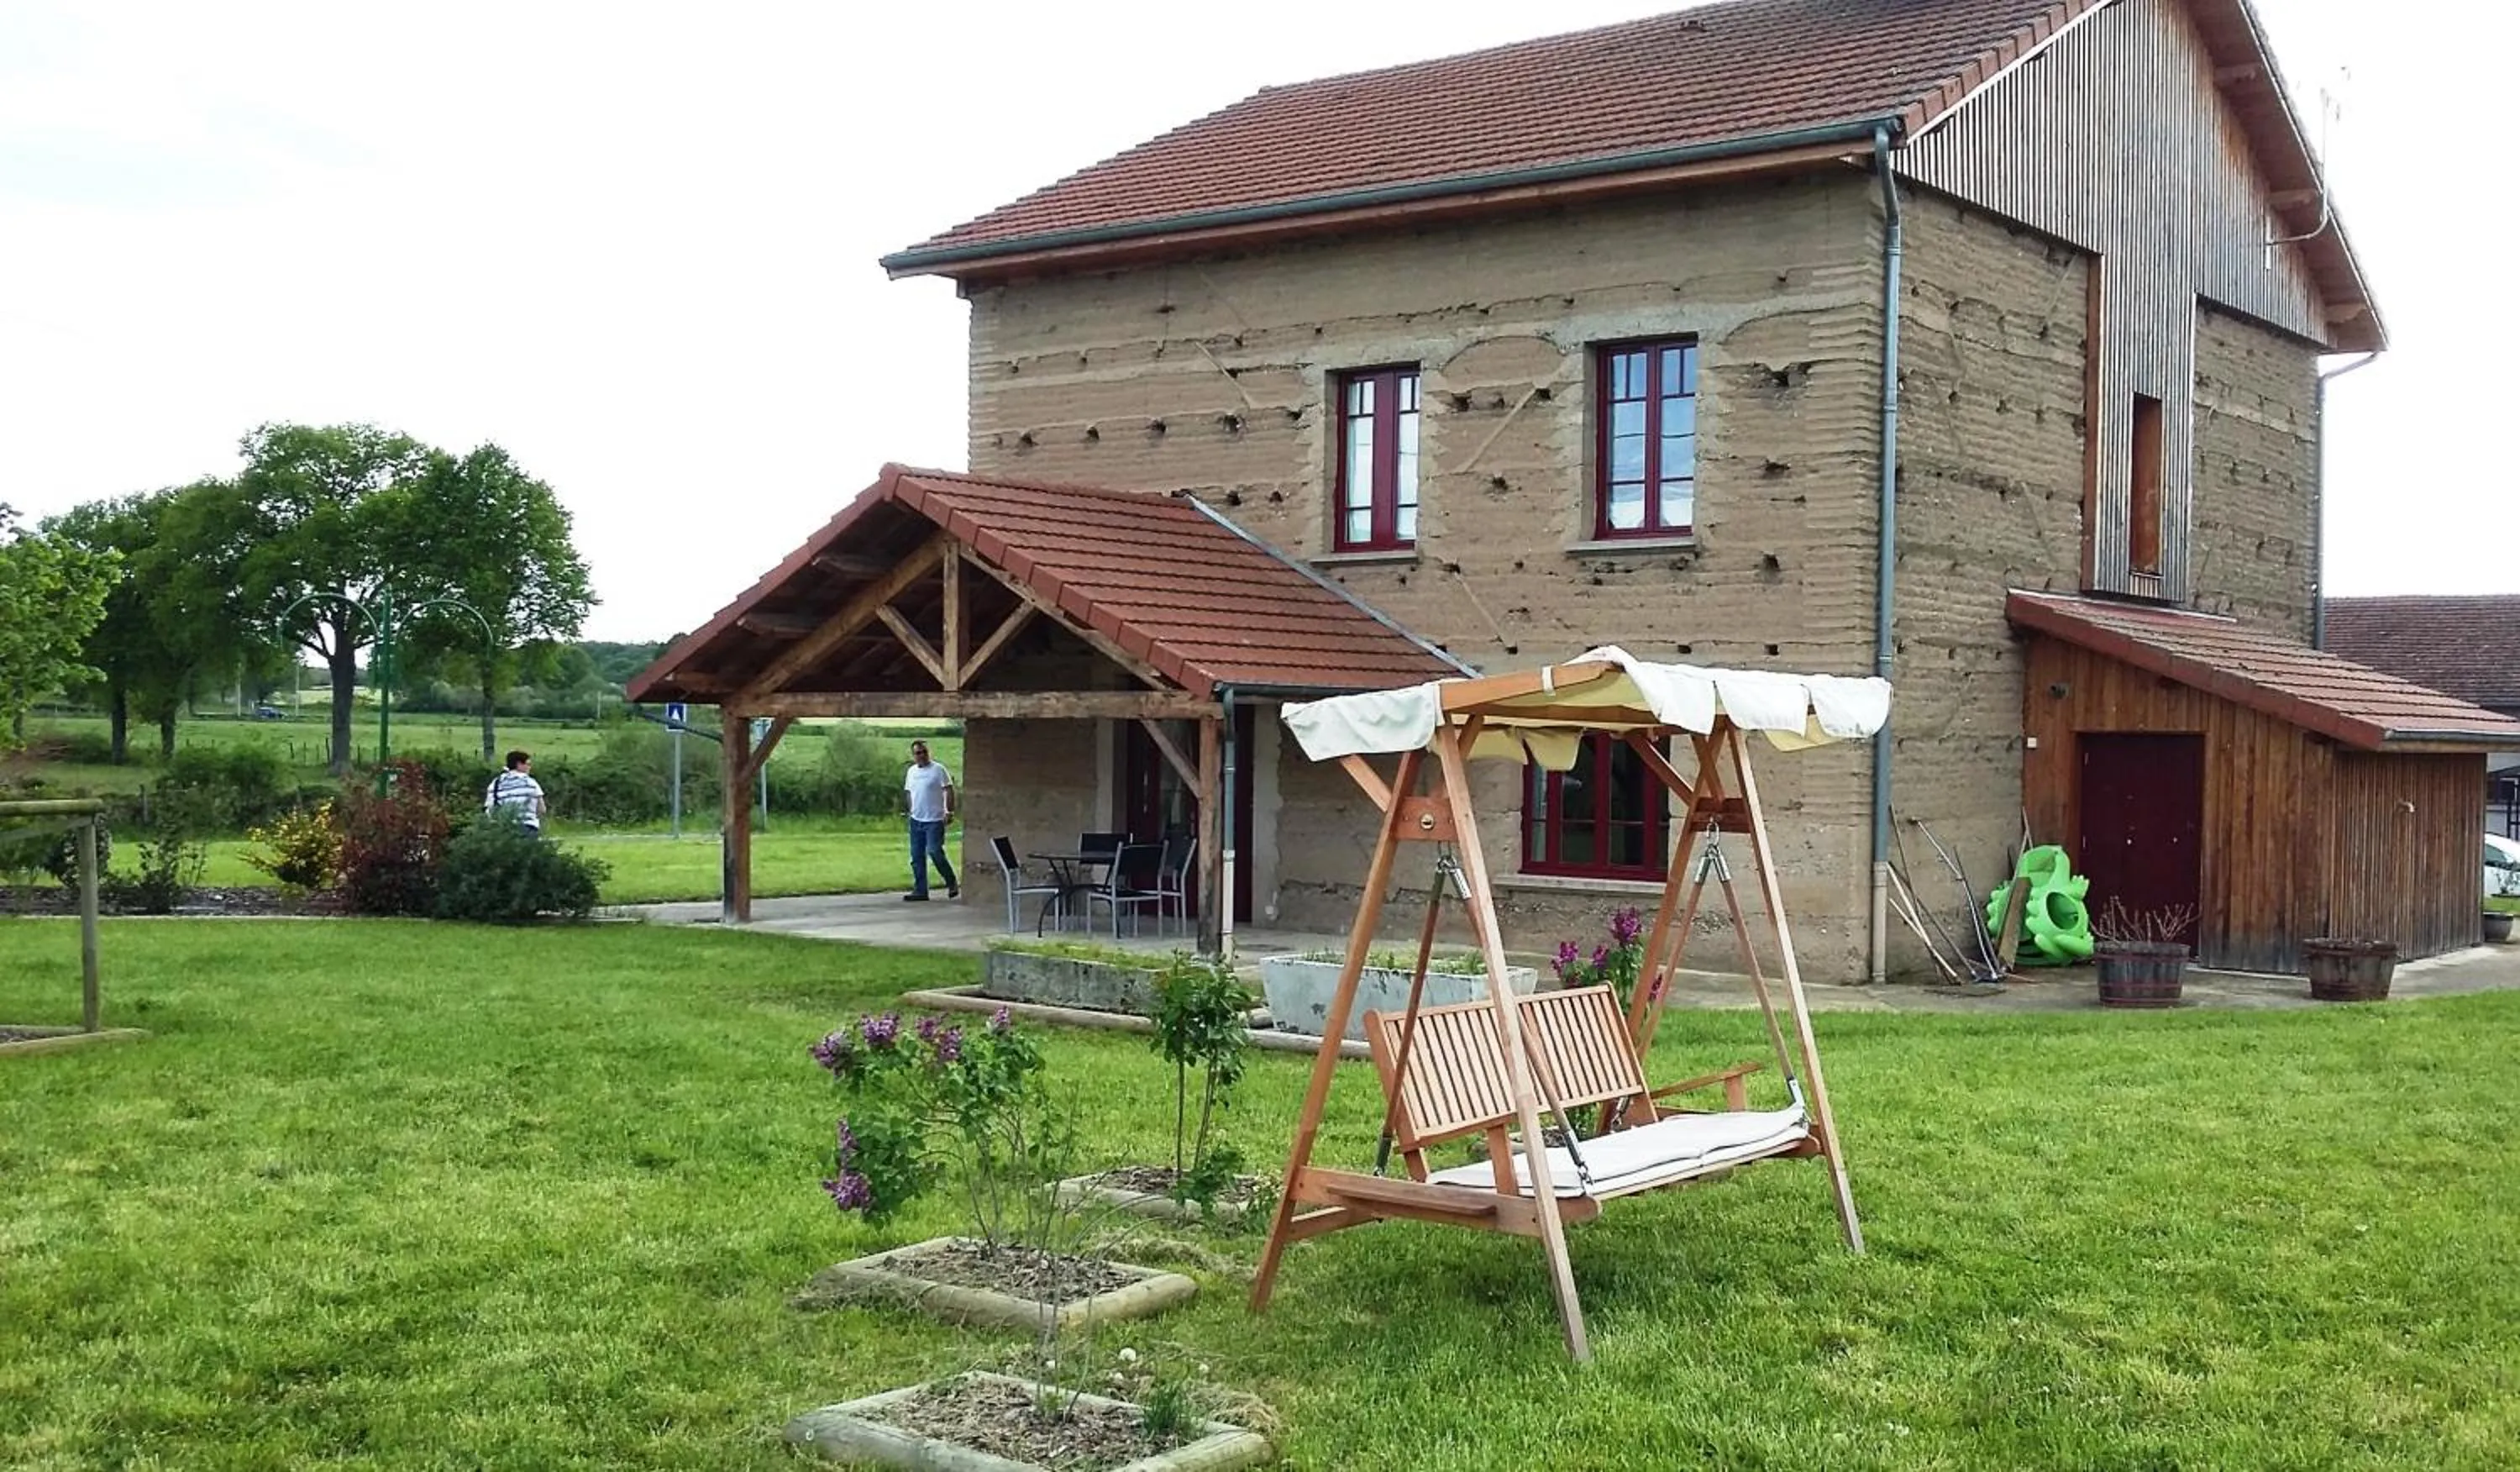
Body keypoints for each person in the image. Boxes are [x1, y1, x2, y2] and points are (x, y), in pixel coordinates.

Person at [901, 739, 958, 901]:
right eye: (918, 753)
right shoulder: (911, 772)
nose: (922, 755)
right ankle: (920, 890)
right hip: (916, 820)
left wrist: (949, 811)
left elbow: (948, 789)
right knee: (916, 856)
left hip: (934, 819)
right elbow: (909, 792)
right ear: (913, 756)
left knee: (934, 851)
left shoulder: (938, 770)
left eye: (924, 752)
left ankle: (951, 881)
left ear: (929, 752)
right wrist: (910, 811)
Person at [484, 749, 546, 835]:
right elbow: (542, 809)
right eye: (528, 764)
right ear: (519, 764)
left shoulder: (495, 783)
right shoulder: (530, 782)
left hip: (501, 829)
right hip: (527, 827)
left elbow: (490, 808)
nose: (530, 767)